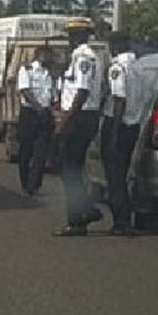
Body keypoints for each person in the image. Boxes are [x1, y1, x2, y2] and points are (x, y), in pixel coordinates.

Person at [53, 18, 105, 237]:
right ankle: (84, 212)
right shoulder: (88, 56)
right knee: (72, 168)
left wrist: (65, 120)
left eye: (72, 36)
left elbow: (82, 91)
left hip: (80, 118)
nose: (69, 40)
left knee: (69, 169)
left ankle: (79, 218)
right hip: (82, 116)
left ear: (78, 37)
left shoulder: (83, 58)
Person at [100, 31, 141, 237]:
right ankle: (125, 218)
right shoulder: (139, 66)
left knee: (114, 176)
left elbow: (119, 99)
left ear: (114, 47)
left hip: (118, 123)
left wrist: (114, 132)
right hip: (134, 123)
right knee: (122, 173)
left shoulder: (117, 67)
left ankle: (121, 221)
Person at [16, 46, 55, 196]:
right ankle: (25, 182)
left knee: (41, 152)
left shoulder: (49, 73)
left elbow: (52, 95)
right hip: (30, 114)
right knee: (26, 150)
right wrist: (38, 108)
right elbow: (25, 92)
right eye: (47, 55)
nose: (50, 58)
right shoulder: (26, 70)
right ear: (39, 55)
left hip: (45, 114)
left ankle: (34, 184)